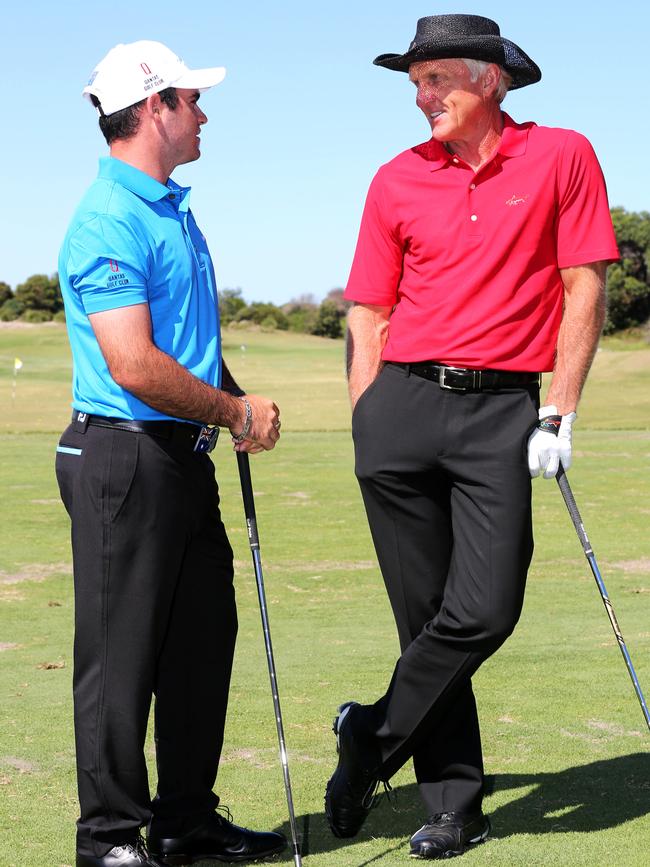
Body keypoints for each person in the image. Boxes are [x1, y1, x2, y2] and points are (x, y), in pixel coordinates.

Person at [324, 14, 619, 861]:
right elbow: (369, 310)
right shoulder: (394, 179)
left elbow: (582, 285)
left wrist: (558, 409)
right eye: (415, 84)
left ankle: (370, 737)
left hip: (502, 413)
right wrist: (365, 419)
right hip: (401, 407)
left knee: (485, 607)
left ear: (490, 79)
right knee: (424, 618)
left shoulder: (562, 154)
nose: (423, 99)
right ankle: (454, 804)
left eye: (437, 80)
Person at [56, 41, 286, 867]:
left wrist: (232, 407)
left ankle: (185, 819)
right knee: (122, 658)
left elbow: (183, 348)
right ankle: (110, 837)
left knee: (198, 645)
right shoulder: (108, 217)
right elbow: (134, 364)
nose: (204, 114)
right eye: (192, 100)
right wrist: (234, 409)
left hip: (180, 458)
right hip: (123, 455)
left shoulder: (168, 208)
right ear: (155, 107)